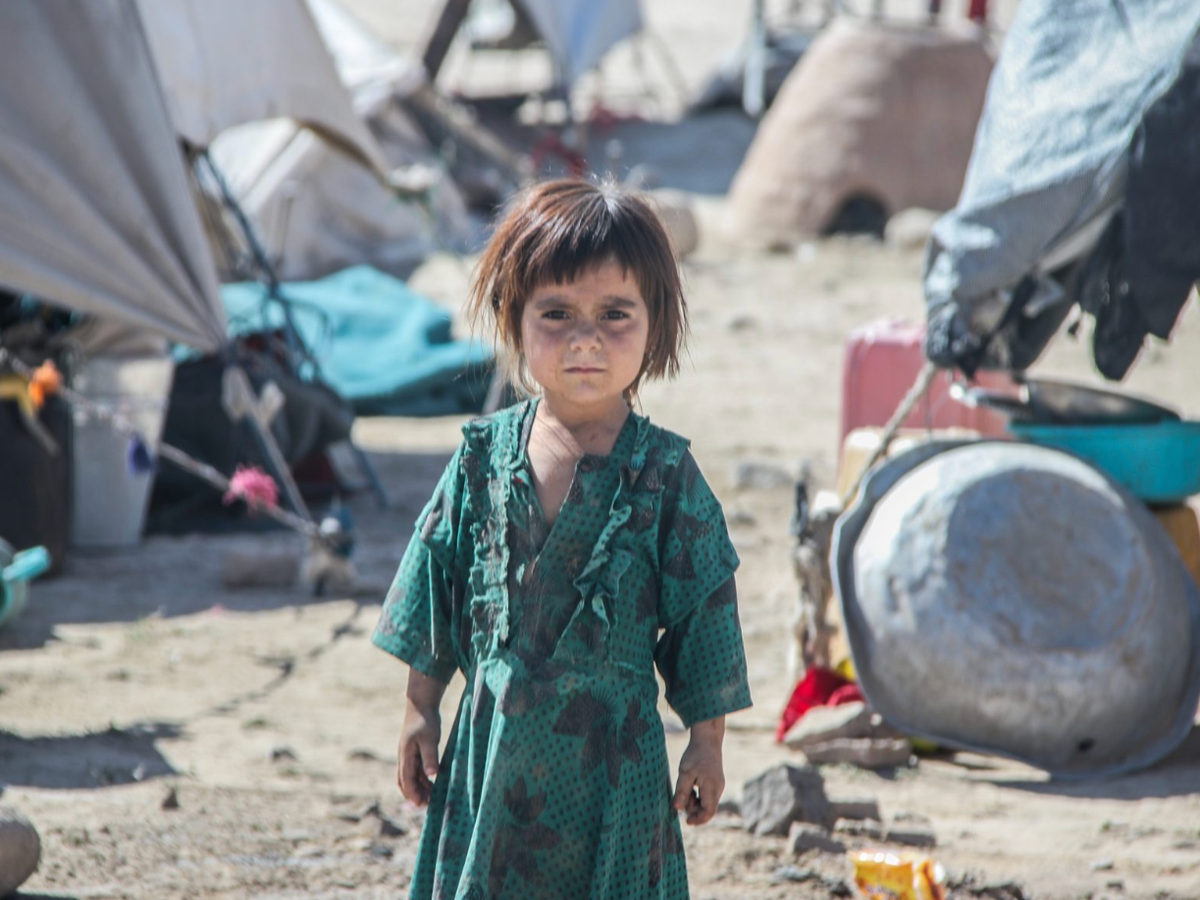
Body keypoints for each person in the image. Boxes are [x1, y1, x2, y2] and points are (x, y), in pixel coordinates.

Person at [372, 178, 752, 900]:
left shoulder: (666, 474)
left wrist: (706, 742)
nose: (585, 338)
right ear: (514, 317)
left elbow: (705, 613)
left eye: (615, 314)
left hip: (615, 767)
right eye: (556, 313)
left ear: (656, 323)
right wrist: (421, 709)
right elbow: (436, 581)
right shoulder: (481, 458)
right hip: (494, 756)